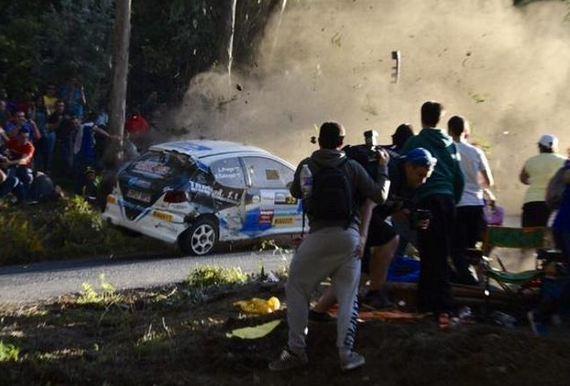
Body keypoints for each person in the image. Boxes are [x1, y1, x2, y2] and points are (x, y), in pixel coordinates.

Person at [269, 122, 390, 372]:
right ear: (342, 143)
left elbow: (297, 192)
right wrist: (383, 168)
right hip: (349, 237)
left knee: (297, 287)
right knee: (347, 296)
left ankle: (296, 350)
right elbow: (379, 196)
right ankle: (347, 355)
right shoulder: (352, 166)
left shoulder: (306, 165)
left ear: (318, 141)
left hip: (317, 236)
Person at [310, 147, 437, 315]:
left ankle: (319, 312)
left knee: (360, 274)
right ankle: (374, 293)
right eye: (420, 175)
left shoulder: (410, 185)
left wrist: (413, 218)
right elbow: (369, 204)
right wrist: (362, 237)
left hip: (360, 219)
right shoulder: (392, 173)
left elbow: (395, 209)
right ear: (409, 166)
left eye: (426, 177)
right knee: (390, 239)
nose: (422, 181)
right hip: (353, 214)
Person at [402, 101, 464, 319]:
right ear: (440, 119)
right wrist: (452, 200)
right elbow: (459, 177)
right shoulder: (450, 143)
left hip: (426, 202)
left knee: (428, 252)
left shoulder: (415, 142)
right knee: (441, 252)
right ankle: (436, 303)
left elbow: (403, 170)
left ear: (422, 117)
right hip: (447, 201)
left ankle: (433, 303)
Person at [448, 116, 494, 285]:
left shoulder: (447, 150)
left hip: (457, 205)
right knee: (471, 250)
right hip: (476, 206)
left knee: (456, 250)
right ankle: (473, 282)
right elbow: (488, 181)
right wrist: (476, 185)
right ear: (465, 131)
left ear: (449, 130)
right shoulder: (476, 152)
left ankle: (468, 283)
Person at [519, 134, 566, 227]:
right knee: (550, 236)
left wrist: (535, 181)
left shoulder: (530, 161)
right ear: (555, 147)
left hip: (531, 201)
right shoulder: (563, 161)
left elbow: (523, 178)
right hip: (553, 202)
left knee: (531, 234)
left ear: (540, 146)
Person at [0, 130, 35, 202]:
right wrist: (4, 157)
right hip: (10, 165)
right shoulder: (13, 142)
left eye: (26, 137)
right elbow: (4, 149)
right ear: (18, 137)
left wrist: (9, 163)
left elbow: (23, 160)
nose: (24, 139)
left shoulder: (29, 147)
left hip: (23, 168)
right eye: (22, 137)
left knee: (13, 179)